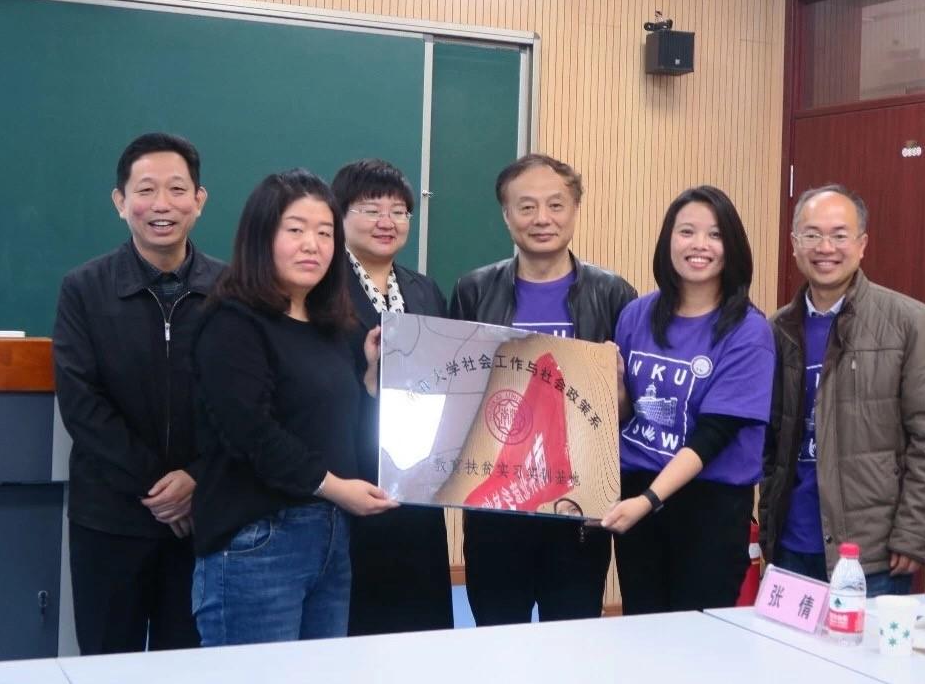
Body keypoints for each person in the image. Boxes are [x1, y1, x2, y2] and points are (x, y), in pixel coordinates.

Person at [190, 168, 397, 646]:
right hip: (258, 540)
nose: (312, 245)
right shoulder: (232, 322)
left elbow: (333, 427)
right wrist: (337, 489)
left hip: (330, 538)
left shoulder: (332, 326)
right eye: (296, 229)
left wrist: (368, 380)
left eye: (325, 233)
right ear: (261, 236)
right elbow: (252, 433)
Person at [52, 132, 224, 654]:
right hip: (110, 518)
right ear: (120, 201)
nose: (162, 205)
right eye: (146, 190)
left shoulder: (232, 291)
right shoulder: (83, 288)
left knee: (190, 668)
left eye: (177, 189)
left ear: (199, 200)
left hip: (204, 519)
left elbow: (244, 403)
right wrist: (158, 486)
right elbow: (82, 404)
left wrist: (197, 477)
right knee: (107, 663)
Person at [449, 153, 636, 625]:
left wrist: (617, 391)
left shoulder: (614, 294)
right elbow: (458, 396)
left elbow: (628, 413)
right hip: (495, 509)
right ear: (506, 215)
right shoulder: (473, 290)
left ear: (575, 209)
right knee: (496, 640)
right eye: (526, 206)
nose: (542, 219)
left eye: (555, 205)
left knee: (572, 644)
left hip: (579, 512)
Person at [759, 184, 925, 594]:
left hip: (872, 553)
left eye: (839, 235)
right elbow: (768, 439)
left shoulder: (910, 323)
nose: (825, 247)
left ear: (862, 244)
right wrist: (768, 524)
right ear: (794, 244)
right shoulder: (777, 329)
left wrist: (916, 531)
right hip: (791, 545)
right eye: (812, 234)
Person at [602, 186, 774, 614]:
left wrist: (649, 501)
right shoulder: (636, 314)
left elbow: (713, 436)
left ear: (732, 247)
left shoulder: (749, 332)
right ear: (668, 240)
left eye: (715, 235)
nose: (700, 245)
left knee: (698, 636)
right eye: (687, 232)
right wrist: (617, 384)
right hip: (637, 492)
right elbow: (627, 414)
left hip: (707, 506)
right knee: (643, 629)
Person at [331, 159, 454, 635]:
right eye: (370, 209)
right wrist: (368, 378)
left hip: (418, 482)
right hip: (349, 479)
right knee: (357, 624)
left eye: (399, 211)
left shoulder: (425, 290)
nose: (387, 221)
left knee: (421, 623)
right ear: (340, 215)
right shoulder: (322, 289)